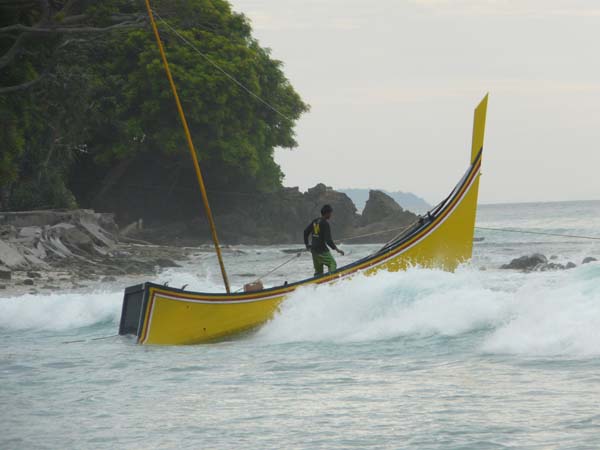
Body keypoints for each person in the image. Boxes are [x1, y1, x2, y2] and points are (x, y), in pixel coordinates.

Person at [304, 204, 345, 276]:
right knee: (332, 263)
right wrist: (337, 249)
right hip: (322, 250)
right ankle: (332, 280)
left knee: (318, 272)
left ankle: (317, 285)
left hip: (314, 250)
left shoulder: (315, 221)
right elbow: (328, 240)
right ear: (327, 213)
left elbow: (305, 232)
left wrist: (307, 245)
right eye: (330, 213)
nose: (331, 215)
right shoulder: (325, 223)